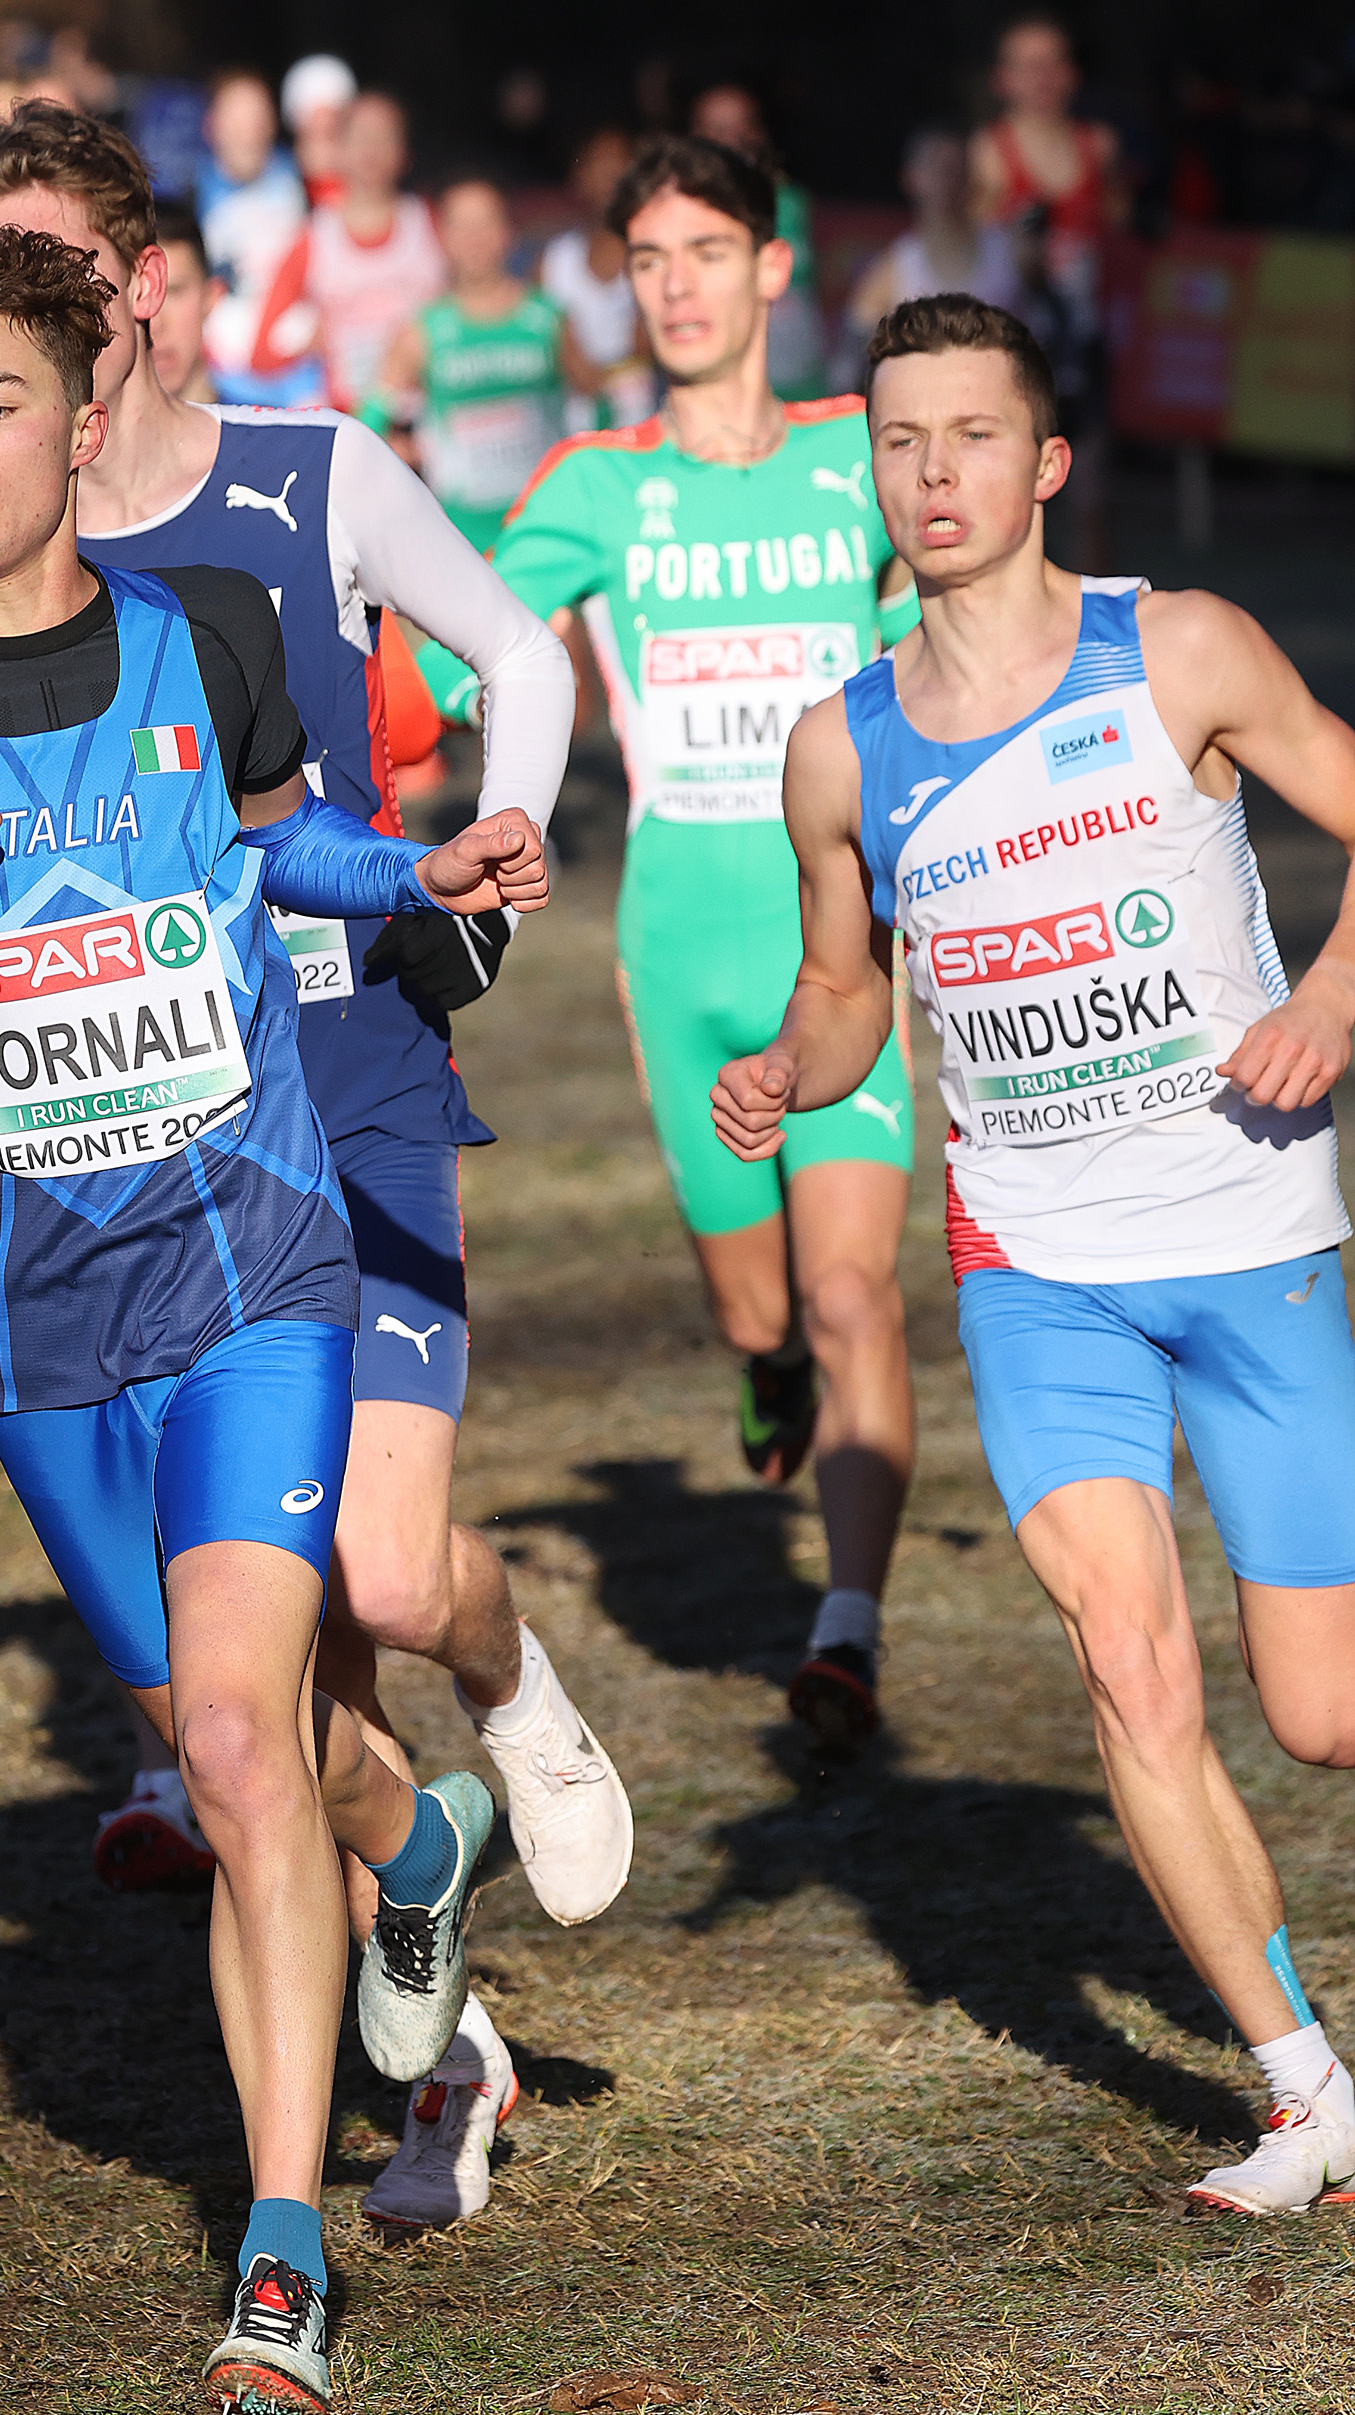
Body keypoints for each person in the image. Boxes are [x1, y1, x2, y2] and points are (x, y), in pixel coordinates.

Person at [0, 224, 550, 2414]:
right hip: (38, 1335)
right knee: (246, 1748)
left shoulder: (211, 628)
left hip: (253, 1265)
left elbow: (279, 851)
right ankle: (416, 1833)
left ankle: (279, 2254)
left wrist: (415, 869)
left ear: (84, 417)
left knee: (235, 1744)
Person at [0, 101, 631, 2232]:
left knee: (379, 1581)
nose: (25, 325)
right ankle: (443, 2063)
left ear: (138, 289)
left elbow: (519, 653)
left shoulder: (307, 474)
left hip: (343, 1070)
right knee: (277, 1719)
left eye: (61, 276)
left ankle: (509, 1676)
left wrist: (483, 862)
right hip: (130, 1157)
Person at [713, 290, 1355, 2217]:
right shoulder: (837, 750)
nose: (931, 473)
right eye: (897, 442)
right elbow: (845, 994)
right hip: (1033, 1265)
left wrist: (1327, 996)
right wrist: (788, 1065)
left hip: (1247, 1240)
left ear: (1045, 460)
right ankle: (1302, 2091)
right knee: (1125, 1666)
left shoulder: (1175, 650)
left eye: (970, 436)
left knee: (1317, 1714)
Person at [454, 135, 921, 1747]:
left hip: (837, 946)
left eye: (706, 252)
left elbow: (965, 591)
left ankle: (845, 1629)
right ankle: (763, 1361)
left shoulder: (860, 452)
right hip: (677, 954)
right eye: (647, 260)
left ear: (771, 266)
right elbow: (459, 646)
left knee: (854, 1292)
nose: (676, 287)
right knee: (764, 1312)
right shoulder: (593, 486)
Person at [968, 16, 1125, 573]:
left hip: (1082, 346)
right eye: (1027, 66)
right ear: (1002, 78)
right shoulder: (987, 153)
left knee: (1090, 495)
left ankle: (1098, 616)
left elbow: (1119, 230)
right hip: (1010, 350)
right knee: (1007, 498)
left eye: (1052, 63)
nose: (1041, 77)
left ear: (1071, 74)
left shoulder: (1098, 148)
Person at [370, 179, 598, 555]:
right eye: (461, 227)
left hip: (544, 528)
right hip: (461, 537)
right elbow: (370, 420)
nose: (474, 239)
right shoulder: (423, 331)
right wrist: (397, 453)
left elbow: (600, 403)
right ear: (442, 238)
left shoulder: (547, 319)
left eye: (485, 224)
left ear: (508, 232)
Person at [253, 93, 446, 417]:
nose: (371, 148)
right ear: (337, 148)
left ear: (405, 153)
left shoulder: (433, 225)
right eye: (358, 136)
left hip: (428, 420)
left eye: (384, 136)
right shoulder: (312, 239)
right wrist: (305, 339)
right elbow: (263, 353)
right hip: (351, 421)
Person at [688, 83, 825, 403]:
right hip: (722, 394)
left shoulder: (792, 204)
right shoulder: (683, 215)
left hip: (803, 390)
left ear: (759, 133)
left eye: (742, 127)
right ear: (694, 138)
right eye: (717, 129)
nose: (731, 140)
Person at [195, 71, 316, 406]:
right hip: (223, 376)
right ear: (210, 125)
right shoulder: (191, 194)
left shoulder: (302, 178)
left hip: (299, 370)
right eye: (235, 119)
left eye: (256, 118)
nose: (247, 132)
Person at [846, 129, 1024, 338]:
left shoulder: (1013, 250)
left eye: (954, 168)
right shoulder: (895, 267)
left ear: (970, 177)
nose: (945, 179)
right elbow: (856, 337)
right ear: (910, 178)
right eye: (935, 167)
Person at [541, 129, 645, 432]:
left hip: (646, 427)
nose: (609, 176)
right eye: (598, 164)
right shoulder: (554, 261)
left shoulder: (654, 254)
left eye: (619, 164)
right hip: (572, 431)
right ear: (578, 176)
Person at [148, 200, 221, 403]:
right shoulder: (83, 423)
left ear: (210, 298)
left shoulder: (266, 420)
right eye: (140, 298)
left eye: (173, 292)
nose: (154, 324)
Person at [282, 55, 356, 205]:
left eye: (333, 116)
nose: (325, 125)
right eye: (315, 117)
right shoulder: (278, 181)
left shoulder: (367, 182)